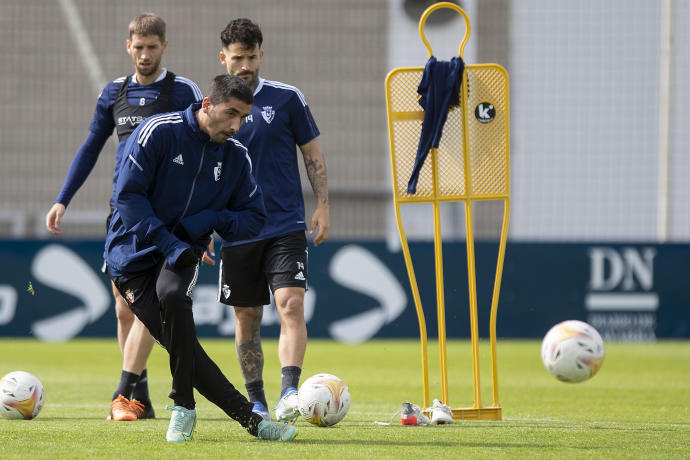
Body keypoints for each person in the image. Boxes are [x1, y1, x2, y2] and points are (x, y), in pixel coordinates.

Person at [104, 73, 297, 443]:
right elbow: (128, 199)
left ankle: (184, 407)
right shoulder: (157, 132)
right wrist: (167, 241)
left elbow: (254, 217)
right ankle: (254, 422)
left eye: (243, 117)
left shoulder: (236, 157)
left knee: (175, 297)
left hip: (182, 251)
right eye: (230, 114)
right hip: (132, 256)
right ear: (208, 105)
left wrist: (209, 220)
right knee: (184, 347)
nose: (236, 126)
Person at [45, 13, 205, 421]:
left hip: (165, 216)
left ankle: (124, 392)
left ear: (164, 46)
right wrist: (63, 198)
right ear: (128, 46)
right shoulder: (113, 93)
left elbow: (204, 155)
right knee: (123, 308)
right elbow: (90, 147)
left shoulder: (183, 91)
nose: (145, 54)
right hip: (123, 213)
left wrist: (201, 223)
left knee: (147, 303)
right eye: (139, 47)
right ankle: (141, 396)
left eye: (153, 47)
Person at [217, 18, 330, 423]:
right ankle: (257, 399)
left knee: (291, 304)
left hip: (285, 225)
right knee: (247, 316)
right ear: (223, 59)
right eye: (237, 58)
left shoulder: (287, 99)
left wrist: (322, 205)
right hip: (236, 230)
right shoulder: (213, 107)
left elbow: (311, 153)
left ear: (261, 55)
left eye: (251, 57)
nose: (245, 65)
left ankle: (289, 393)